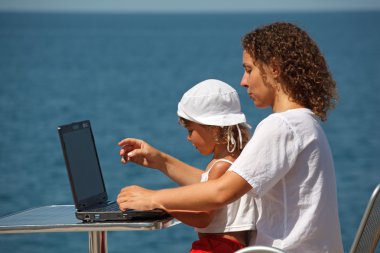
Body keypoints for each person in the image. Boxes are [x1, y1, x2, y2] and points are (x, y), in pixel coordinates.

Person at [117, 22, 344, 253]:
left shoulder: (282, 125)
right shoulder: (306, 123)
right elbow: (217, 184)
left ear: (274, 68)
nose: (243, 81)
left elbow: (220, 192)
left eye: (249, 69)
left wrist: (153, 198)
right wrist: (160, 161)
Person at [120, 79, 256, 253]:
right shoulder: (232, 159)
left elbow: (204, 218)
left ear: (214, 130)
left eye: (191, 130)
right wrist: (160, 161)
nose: (188, 138)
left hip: (218, 247)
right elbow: (203, 189)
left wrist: (162, 207)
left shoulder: (221, 166)